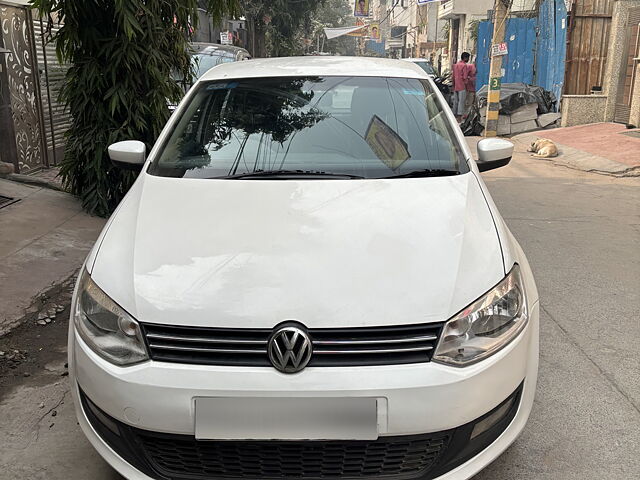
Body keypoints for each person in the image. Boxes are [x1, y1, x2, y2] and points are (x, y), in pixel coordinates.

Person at [452, 52, 471, 122]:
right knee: (461, 101)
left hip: (456, 86)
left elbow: (453, 76)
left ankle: (454, 116)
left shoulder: (456, 65)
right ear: (465, 58)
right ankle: (459, 117)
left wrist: (453, 85)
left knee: (455, 101)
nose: (468, 59)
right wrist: (467, 83)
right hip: (462, 86)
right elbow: (465, 77)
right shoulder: (464, 66)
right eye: (468, 58)